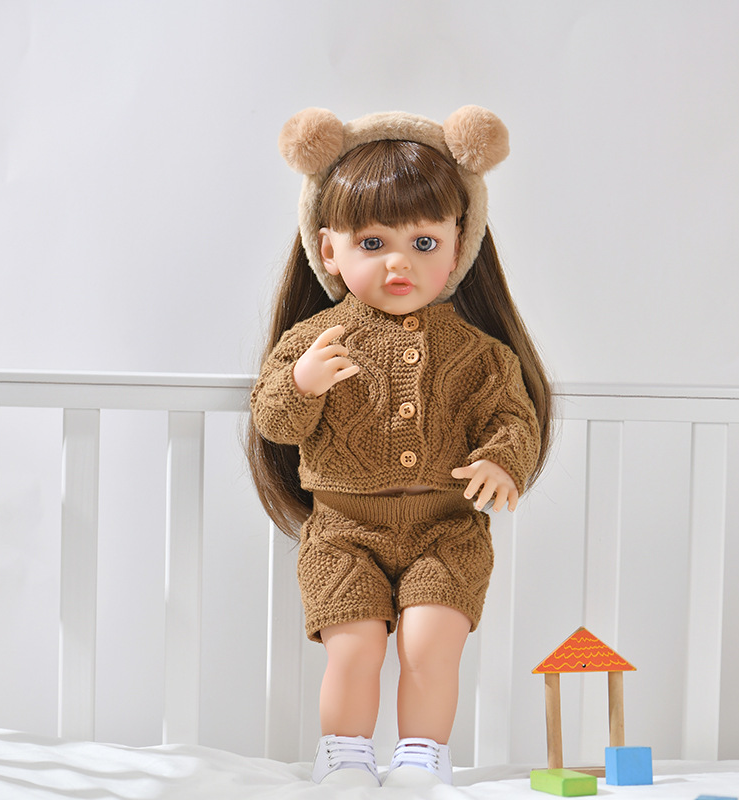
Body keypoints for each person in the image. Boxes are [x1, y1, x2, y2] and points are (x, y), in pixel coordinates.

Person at [246, 106, 552, 788]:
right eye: (372, 242)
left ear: (458, 244)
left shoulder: (480, 354)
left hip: (446, 530)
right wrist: (301, 384)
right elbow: (273, 418)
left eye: (423, 242)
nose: (398, 263)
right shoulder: (316, 339)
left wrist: (504, 460)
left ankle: (421, 758)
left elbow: (512, 418)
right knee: (353, 647)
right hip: (342, 531)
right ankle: (345, 757)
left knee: (430, 643)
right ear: (329, 250)